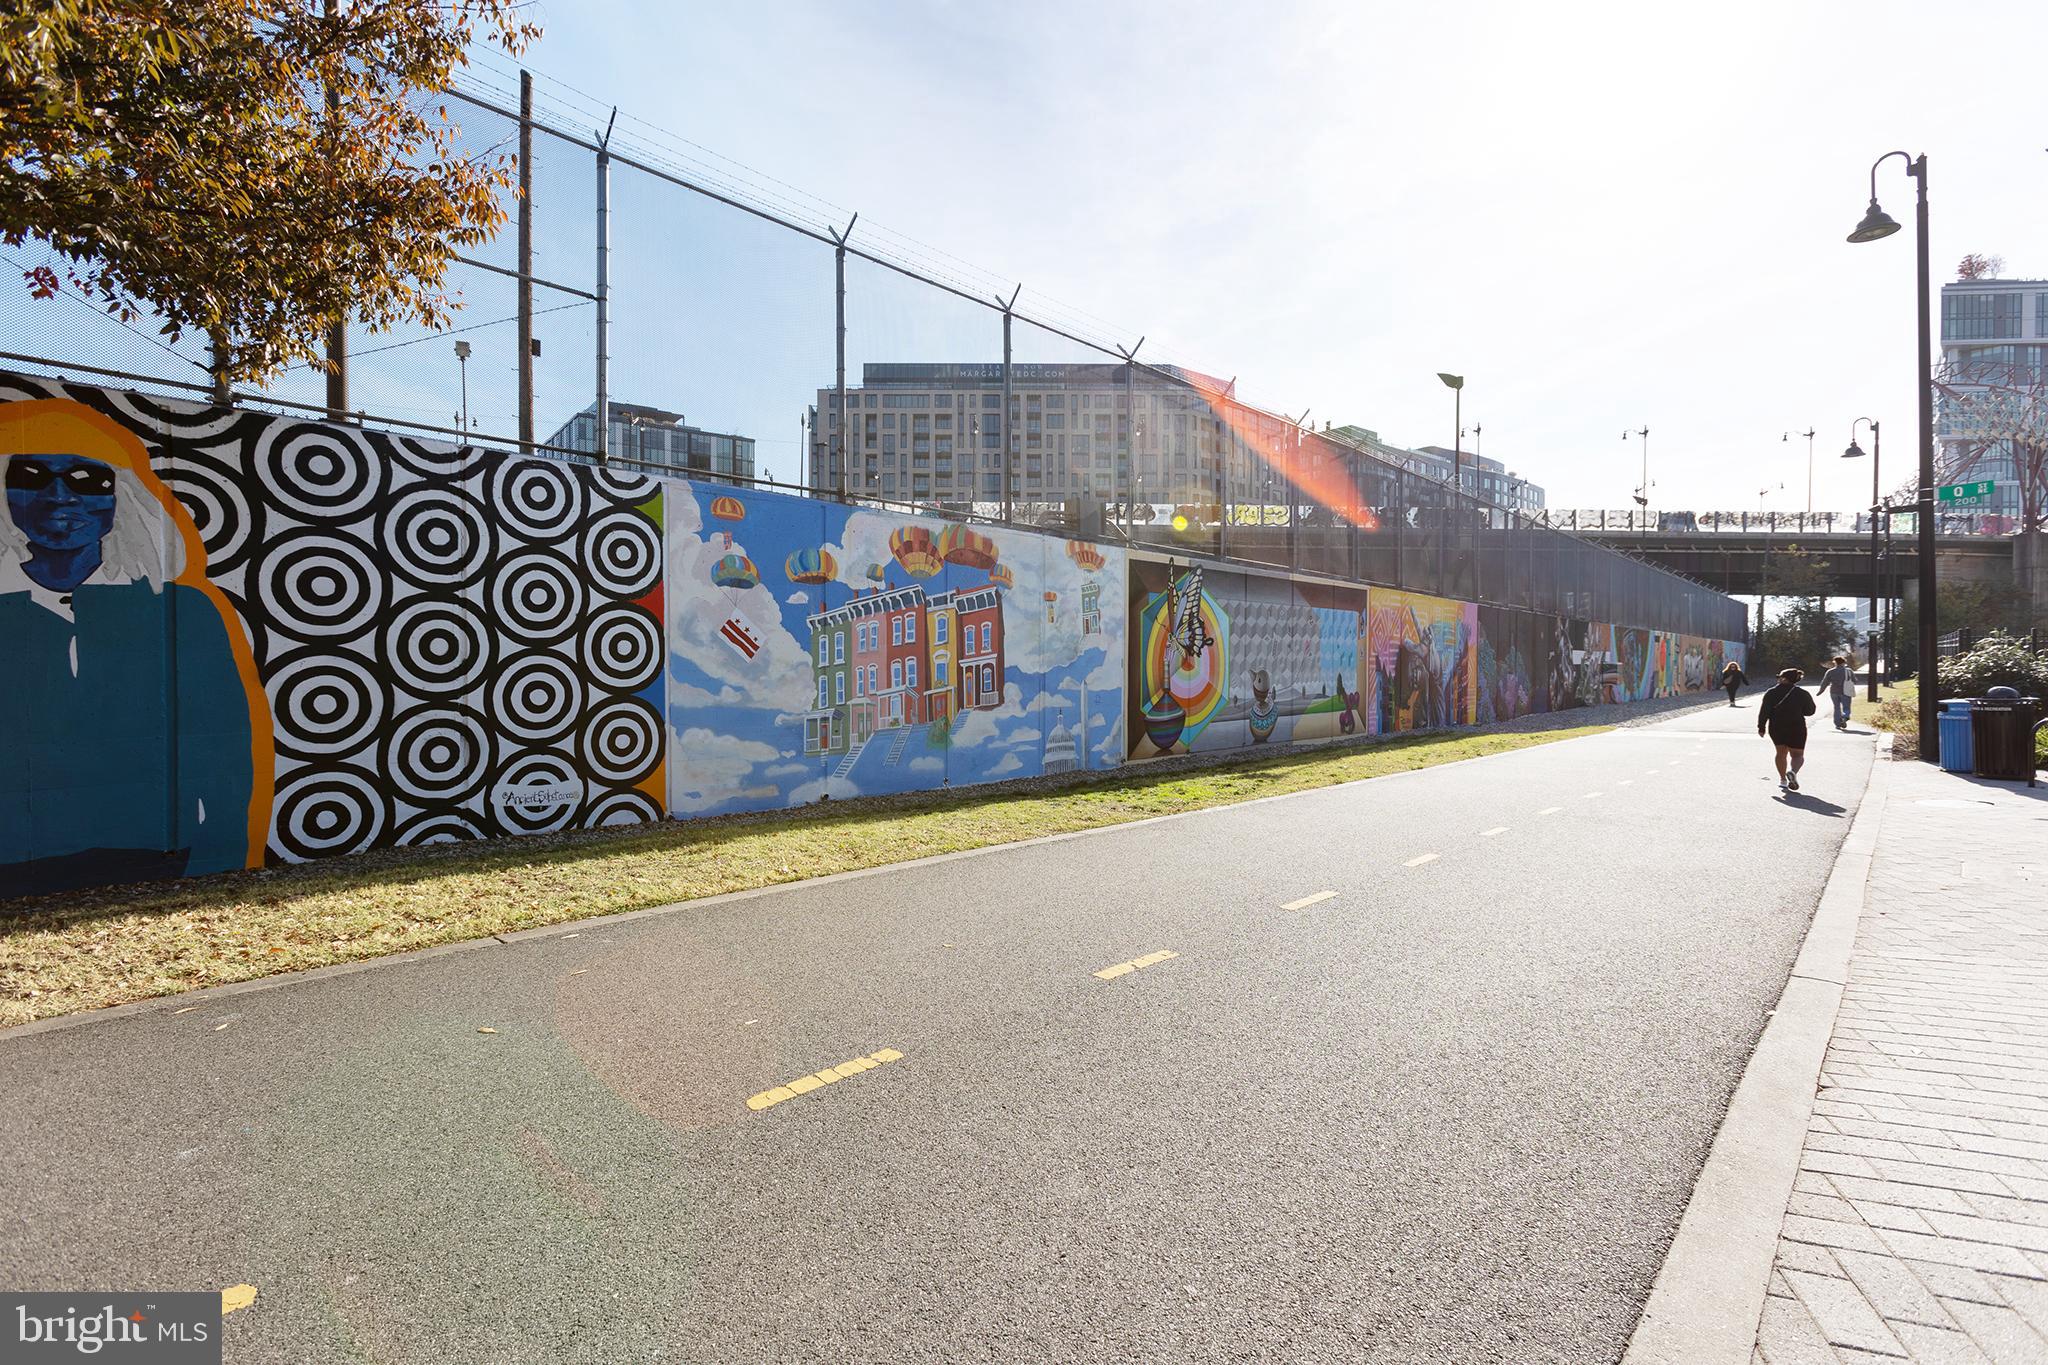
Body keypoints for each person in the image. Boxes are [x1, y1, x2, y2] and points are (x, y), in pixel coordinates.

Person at [1757, 666, 1818, 792]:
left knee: (1780, 753)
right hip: (1796, 727)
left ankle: (1782, 780)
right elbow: (1810, 711)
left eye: (1779, 677)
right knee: (1797, 755)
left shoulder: (1771, 692)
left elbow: (1764, 711)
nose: (1778, 679)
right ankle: (1793, 772)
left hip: (1776, 727)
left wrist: (1761, 727)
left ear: (1784, 678)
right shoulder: (1802, 693)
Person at [1818, 654, 1854, 731]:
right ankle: (1845, 717)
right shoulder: (1849, 671)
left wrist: (1821, 691)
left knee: (1836, 707)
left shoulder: (1830, 671)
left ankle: (1837, 723)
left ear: (1835, 662)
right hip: (1845, 691)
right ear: (1844, 662)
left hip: (1834, 691)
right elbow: (1854, 680)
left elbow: (1824, 682)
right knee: (1846, 706)